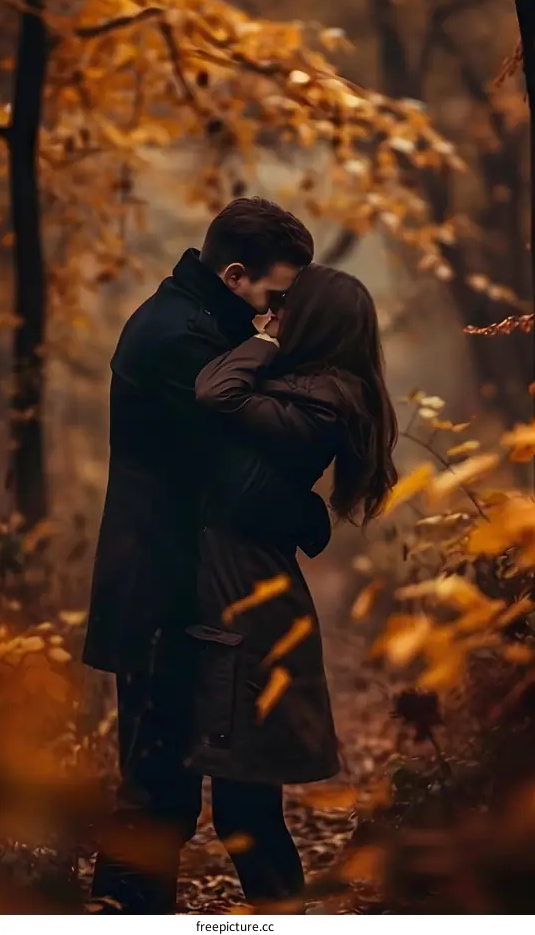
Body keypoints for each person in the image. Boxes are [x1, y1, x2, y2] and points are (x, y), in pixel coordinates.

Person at [82, 197, 317, 914]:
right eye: (277, 295)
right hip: (163, 599)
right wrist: (307, 510)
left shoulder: (199, 325)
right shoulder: (176, 337)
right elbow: (237, 474)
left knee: (238, 796)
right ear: (237, 274)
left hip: (199, 594)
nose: (280, 312)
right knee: (157, 802)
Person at [187, 264, 398, 909]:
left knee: (246, 814)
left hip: (252, 615)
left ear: (311, 320)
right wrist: (301, 513)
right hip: (243, 599)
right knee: (244, 811)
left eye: (284, 306)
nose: (270, 311)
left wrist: (266, 344)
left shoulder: (320, 397)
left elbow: (215, 395)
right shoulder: (315, 392)